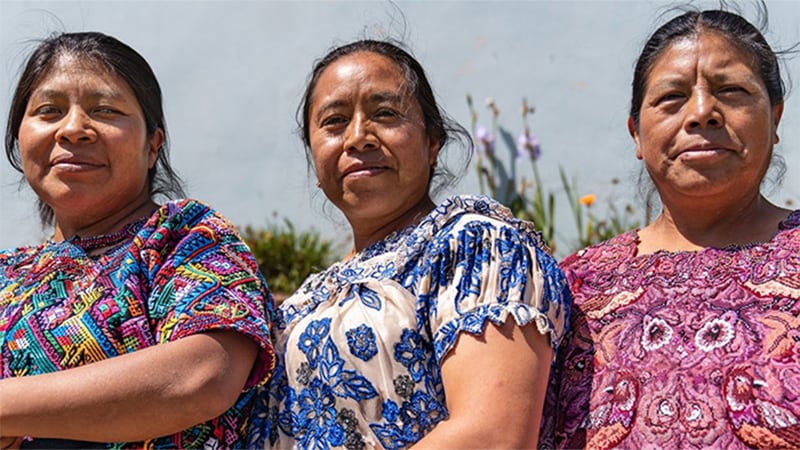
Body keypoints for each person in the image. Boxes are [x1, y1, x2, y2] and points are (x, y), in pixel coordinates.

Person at [259, 39, 571, 449]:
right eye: (333, 122)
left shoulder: (475, 247)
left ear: (433, 143)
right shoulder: (307, 300)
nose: (357, 138)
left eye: (385, 114)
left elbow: (492, 436)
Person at [539, 7, 800, 449]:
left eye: (731, 91)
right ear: (636, 134)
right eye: (672, 97)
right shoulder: (576, 287)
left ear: (774, 119)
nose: (702, 113)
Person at [0, 32, 274, 449]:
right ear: (19, 139)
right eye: (49, 110)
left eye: (105, 110)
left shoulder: (185, 236)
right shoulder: (6, 275)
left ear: (153, 145)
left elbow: (203, 376)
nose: (73, 129)